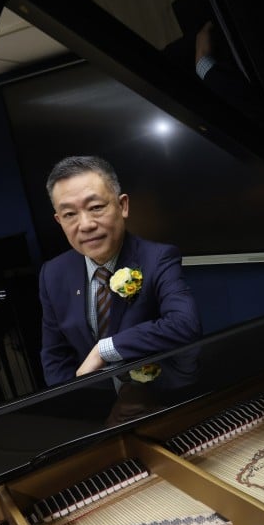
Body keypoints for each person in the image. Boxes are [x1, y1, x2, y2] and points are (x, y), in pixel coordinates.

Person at [38, 155, 201, 386]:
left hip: (159, 396)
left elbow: (185, 324)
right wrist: (78, 406)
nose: (85, 225)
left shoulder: (159, 258)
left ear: (122, 205)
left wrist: (103, 351)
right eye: (69, 215)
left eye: (95, 207)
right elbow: (55, 357)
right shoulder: (52, 274)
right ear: (59, 221)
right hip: (99, 408)